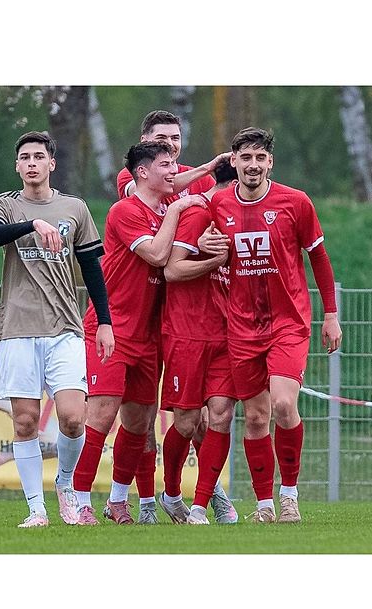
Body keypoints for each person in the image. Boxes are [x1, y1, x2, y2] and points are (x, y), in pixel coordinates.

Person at [0, 131, 114, 528]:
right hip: (18, 329)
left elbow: (91, 267)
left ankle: (67, 485)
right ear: (18, 166)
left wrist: (104, 320)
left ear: (51, 164)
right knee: (24, 422)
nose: (33, 163)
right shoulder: (4, 205)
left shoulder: (74, 208)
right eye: (26, 157)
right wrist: (30, 225)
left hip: (65, 329)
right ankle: (36, 509)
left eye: (40, 156)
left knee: (74, 416)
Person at [209, 127, 343, 523]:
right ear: (233, 162)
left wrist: (331, 314)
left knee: (284, 403)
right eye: (245, 158)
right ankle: (264, 505)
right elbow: (207, 248)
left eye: (260, 158)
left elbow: (318, 257)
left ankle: (289, 496)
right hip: (242, 326)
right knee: (253, 417)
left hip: (289, 321)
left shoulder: (295, 202)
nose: (253, 165)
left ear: (271, 163)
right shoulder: (218, 204)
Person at [72, 141, 204, 525]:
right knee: (101, 414)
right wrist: (180, 207)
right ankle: (80, 500)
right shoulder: (124, 211)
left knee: (138, 423)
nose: (174, 170)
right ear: (143, 172)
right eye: (166, 164)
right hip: (109, 328)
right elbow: (159, 256)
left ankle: (117, 501)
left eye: (175, 164)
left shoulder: (164, 209)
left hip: (148, 336)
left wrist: (211, 168)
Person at [116, 110, 227, 523]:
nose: (170, 144)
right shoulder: (137, 176)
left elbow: (214, 216)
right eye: (161, 137)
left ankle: (205, 494)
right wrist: (198, 180)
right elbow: (166, 198)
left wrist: (209, 239)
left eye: (176, 137)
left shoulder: (189, 180)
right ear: (144, 141)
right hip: (141, 314)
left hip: (184, 315)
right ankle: (144, 502)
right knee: (142, 418)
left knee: (196, 416)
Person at [158, 156, 239, 525]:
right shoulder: (198, 214)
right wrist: (212, 259)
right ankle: (172, 493)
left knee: (221, 416)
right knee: (188, 423)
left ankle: (202, 506)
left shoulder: (244, 221)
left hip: (225, 334)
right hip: (187, 332)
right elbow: (172, 270)